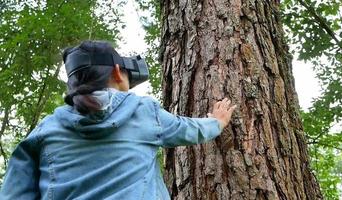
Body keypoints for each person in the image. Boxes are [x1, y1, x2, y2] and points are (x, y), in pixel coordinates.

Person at [0, 41, 236, 199]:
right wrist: (217, 122)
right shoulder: (142, 111)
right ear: (116, 71)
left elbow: (13, 194)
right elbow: (188, 129)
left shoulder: (45, 130)